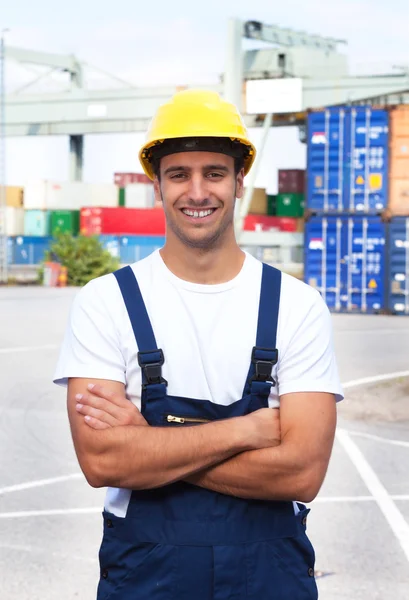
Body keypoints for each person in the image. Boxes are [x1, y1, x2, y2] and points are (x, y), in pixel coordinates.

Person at [54, 89, 343, 600]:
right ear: (157, 185)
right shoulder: (106, 302)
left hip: (270, 574)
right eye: (178, 174)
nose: (197, 191)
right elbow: (103, 462)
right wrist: (248, 431)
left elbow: (301, 472)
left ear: (238, 181)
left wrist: (149, 443)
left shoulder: (297, 305)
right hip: (145, 575)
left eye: (213, 172)